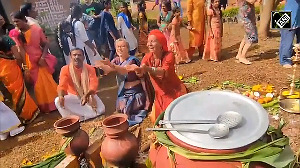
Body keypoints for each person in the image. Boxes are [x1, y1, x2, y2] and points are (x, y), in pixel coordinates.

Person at [133, 30, 187, 122]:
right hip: (160, 94)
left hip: (173, 91)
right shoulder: (147, 57)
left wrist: (148, 69)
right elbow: (142, 70)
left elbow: (162, 72)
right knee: (157, 120)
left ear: (161, 44)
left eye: (153, 41)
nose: (149, 44)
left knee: (174, 117)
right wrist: (138, 71)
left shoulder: (169, 56)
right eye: (148, 41)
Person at [96, 39, 154, 126]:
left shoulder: (132, 60)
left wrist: (111, 65)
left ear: (128, 48)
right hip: (124, 93)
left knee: (128, 112)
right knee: (121, 107)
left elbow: (124, 70)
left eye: (122, 46)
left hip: (136, 93)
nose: (120, 49)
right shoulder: (116, 60)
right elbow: (108, 70)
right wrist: (101, 65)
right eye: (118, 47)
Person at [12, 11, 58, 113]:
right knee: (38, 86)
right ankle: (46, 107)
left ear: (24, 20)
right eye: (14, 22)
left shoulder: (36, 30)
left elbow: (45, 44)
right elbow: (22, 51)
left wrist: (42, 58)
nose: (16, 24)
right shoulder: (17, 35)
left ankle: (56, 103)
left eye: (17, 21)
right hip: (30, 63)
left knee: (48, 82)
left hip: (40, 60)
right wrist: (26, 67)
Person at [55, 48, 105, 121]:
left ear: (83, 57)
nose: (77, 57)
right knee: (58, 101)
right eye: (74, 55)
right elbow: (62, 85)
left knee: (101, 110)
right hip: (74, 97)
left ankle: (81, 116)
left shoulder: (90, 68)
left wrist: (86, 95)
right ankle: (71, 119)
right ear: (70, 57)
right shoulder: (65, 69)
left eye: (79, 55)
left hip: (89, 95)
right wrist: (61, 96)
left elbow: (93, 84)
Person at [0, 35, 40, 123]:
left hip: (2, 72)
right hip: (10, 68)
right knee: (20, 91)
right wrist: (21, 67)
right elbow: (17, 56)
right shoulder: (6, 39)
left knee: (14, 93)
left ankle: (22, 114)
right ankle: (29, 114)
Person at [236, 0, 261, 65]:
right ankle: (243, 57)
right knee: (251, 37)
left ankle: (239, 54)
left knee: (246, 36)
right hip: (245, 19)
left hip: (248, 17)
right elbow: (251, 1)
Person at [279, 0, 300, 68]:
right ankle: (285, 60)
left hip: (297, 19)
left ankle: (297, 57)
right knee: (286, 42)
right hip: (287, 17)